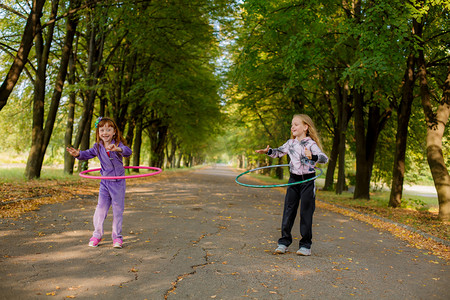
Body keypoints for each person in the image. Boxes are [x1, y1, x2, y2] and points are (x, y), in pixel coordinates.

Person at [255, 114, 328, 256]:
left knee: (306, 212)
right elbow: (278, 152)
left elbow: (324, 158)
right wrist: (268, 151)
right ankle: (283, 242)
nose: (292, 127)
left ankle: (305, 246)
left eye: (296, 124)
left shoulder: (311, 144)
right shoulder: (290, 143)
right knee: (289, 210)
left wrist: (312, 157)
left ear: (306, 127)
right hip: (294, 180)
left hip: (307, 180)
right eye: (291, 125)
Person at [66, 117, 132, 249]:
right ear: (98, 133)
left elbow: (128, 152)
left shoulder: (118, 144)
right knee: (100, 210)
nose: (105, 132)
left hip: (118, 183)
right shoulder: (97, 147)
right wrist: (77, 154)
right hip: (105, 183)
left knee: (118, 211)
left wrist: (118, 149)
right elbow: (87, 154)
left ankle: (117, 238)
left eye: (108, 129)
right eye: (102, 130)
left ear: (114, 132)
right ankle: (97, 235)